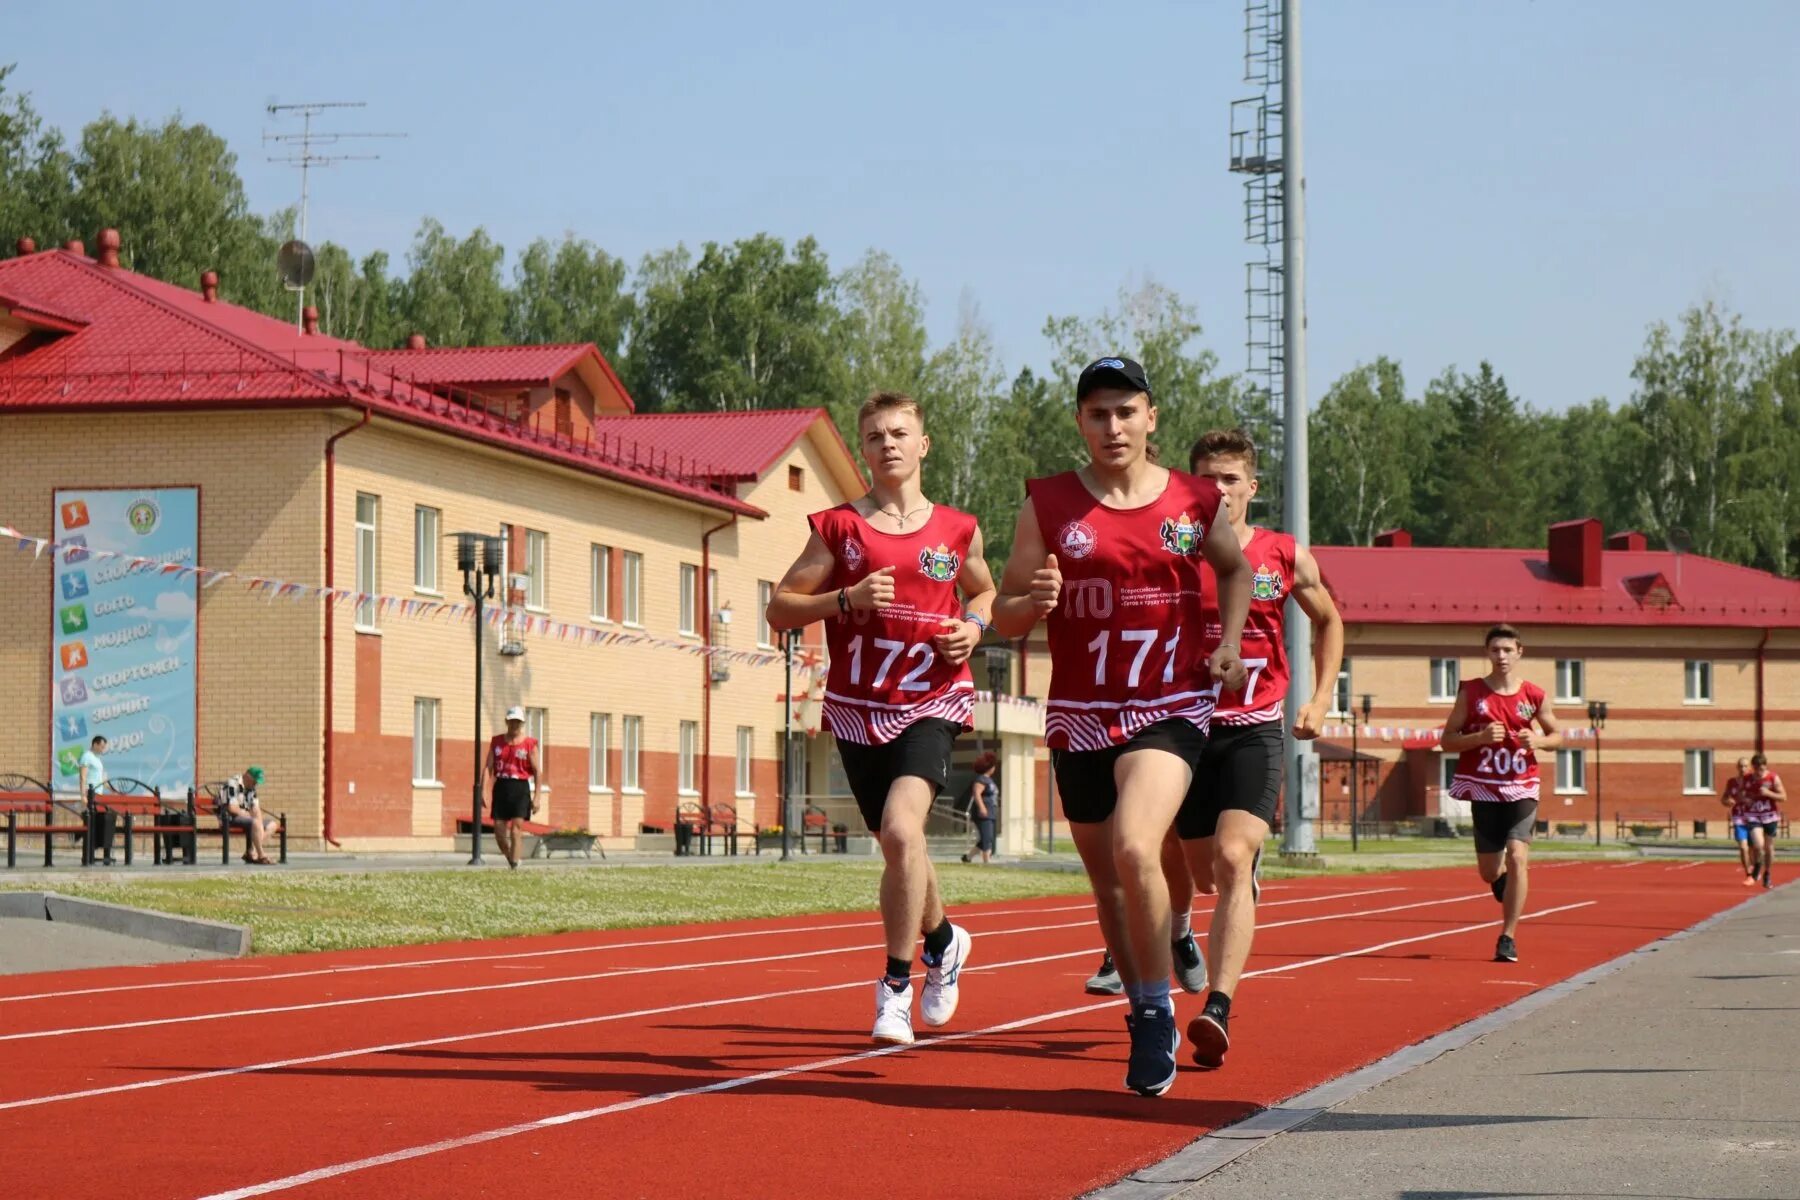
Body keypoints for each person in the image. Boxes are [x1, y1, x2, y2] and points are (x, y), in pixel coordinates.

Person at [994, 355, 1249, 1097]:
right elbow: (1003, 615)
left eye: (1126, 411)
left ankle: (1154, 1004)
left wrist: (1227, 643)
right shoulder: (1047, 505)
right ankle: (1145, 1004)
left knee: (1140, 845)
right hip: (1081, 709)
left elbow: (1232, 570)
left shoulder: (1196, 501)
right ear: (1080, 421)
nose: (1113, 426)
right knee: (1107, 880)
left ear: (1151, 418)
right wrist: (1032, 601)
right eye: (1098, 413)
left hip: (1169, 702)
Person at [767, 390, 994, 1046]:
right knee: (902, 847)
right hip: (860, 709)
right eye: (873, 436)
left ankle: (896, 985)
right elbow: (781, 609)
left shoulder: (957, 529)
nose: (887, 443)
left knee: (901, 831)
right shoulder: (838, 528)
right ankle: (946, 940)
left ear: (923, 444)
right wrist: (845, 599)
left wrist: (973, 627)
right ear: (863, 451)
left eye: (899, 433)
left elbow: (984, 587)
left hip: (933, 700)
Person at [1167, 428, 1346, 1069]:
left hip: (1253, 725)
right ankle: (1181, 929)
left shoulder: (1283, 554)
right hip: (1181, 727)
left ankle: (1217, 1006)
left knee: (1233, 857)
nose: (1218, 490)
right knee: (1196, 872)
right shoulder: (1176, 547)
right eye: (1206, 479)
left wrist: (1321, 697)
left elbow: (1329, 620)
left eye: (1230, 479)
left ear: (1252, 487)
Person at [1438, 624, 1562, 964]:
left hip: (1522, 786)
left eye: (1508, 650)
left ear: (1520, 652)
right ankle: (1502, 883)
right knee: (1490, 872)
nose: (1502, 656)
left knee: (1518, 855)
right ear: (1487, 653)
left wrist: (1537, 741)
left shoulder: (1534, 695)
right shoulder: (1472, 693)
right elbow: (1446, 739)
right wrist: (1477, 738)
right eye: (1496, 650)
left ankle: (1507, 936)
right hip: (1484, 788)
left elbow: (1557, 736)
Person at [484, 706, 539, 869]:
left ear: (521, 723)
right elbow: (488, 768)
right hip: (502, 786)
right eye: (512, 721)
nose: (514, 724)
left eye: (518, 722)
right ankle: (511, 857)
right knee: (499, 832)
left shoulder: (529, 744)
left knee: (516, 829)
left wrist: (537, 796)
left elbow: (537, 771)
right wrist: (484, 791)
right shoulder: (497, 742)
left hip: (520, 787)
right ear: (506, 721)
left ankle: (514, 866)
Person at [1741, 754, 1786, 890]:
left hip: (1769, 816)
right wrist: (1745, 800)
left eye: (1762, 769)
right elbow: (1740, 794)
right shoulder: (1747, 779)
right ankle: (1755, 874)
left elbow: (1783, 797)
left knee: (1769, 848)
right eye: (1757, 769)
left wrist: (1768, 793)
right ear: (1753, 768)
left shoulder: (1773, 778)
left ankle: (1767, 873)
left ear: (1765, 766)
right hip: (1754, 815)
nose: (1759, 772)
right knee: (1758, 845)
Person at [220, 766, 280, 864]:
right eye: (255, 781)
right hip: (230, 818)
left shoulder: (251, 788)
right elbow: (232, 808)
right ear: (248, 776)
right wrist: (251, 817)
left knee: (272, 825)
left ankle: (252, 851)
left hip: (247, 818)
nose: (256, 784)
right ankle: (261, 856)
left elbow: (256, 809)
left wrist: (259, 821)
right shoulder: (232, 784)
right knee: (255, 822)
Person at [1721, 757, 1756, 884]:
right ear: (1737, 767)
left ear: (1750, 768)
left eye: (1745, 766)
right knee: (1743, 847)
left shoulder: (1754, 781)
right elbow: (1724, 798)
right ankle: (1748, 875)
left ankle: (1754, 868)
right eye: (1741, 766)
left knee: (1754, 848)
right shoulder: (1731, 782)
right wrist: (1727, 801)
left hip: (1753, 818)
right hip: (1739, 819)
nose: (1743, 769)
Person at [962, 752, 999, 865]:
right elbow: (976, 793)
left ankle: (967, 857)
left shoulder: (989, 780)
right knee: (986, 837)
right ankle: (986, 861)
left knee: (987, 838)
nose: (994, 768)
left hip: (991, 812)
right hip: (983, 813)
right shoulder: (981, 779)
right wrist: (982, 808)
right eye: (993, 765)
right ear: (989, 767)